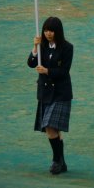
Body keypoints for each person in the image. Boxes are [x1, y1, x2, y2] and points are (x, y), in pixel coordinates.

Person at [28, 16, 73, 175]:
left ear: (58, 31)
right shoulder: (41, 46)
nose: (48, 33)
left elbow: (64, 71)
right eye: (46, 30)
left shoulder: (67, 48)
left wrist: (47, 71)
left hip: (61, 93)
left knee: (49, 126)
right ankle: (61, 162)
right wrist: (35, 47)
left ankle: (56, 160)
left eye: (51, 30)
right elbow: (31, 63)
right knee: (53, 128)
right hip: (45, 92)